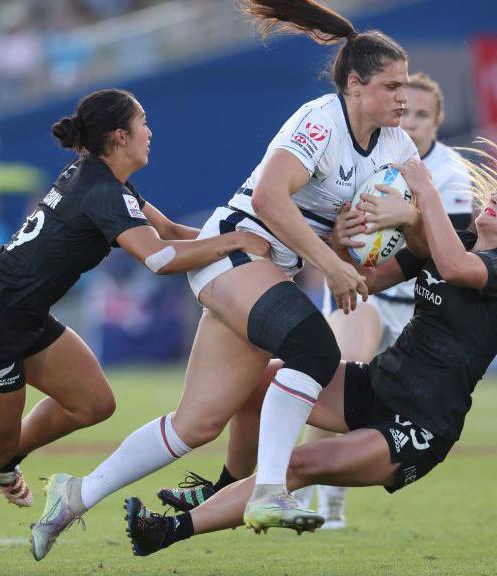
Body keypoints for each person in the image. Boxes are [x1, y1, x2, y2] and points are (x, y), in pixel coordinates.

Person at [29, 0, 418, 561]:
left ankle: (75, 494)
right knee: (311, 344)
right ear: (355, 86)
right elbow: (268, 199)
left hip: (264, 271)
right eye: (392, 85)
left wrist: (349, 241)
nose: (404, 97)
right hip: (233, 254)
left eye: (406, 86)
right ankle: (268, 490)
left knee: (196, 425)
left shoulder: (396, 145)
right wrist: (330, 266)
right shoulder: (321, 121)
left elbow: (340, 227)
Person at [123, 128, 497, 555]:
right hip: (379, 384)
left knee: (298, 464)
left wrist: (423, 195)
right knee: (253, 386)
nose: (496, 197)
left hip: (419, 424)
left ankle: (167, 531)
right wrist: (340, 241)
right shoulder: (457, 239)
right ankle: (222, 486)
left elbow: (451, 267)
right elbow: (364, 282)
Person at [0, 87, 271, 573]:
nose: (151, 132)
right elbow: (160, 258)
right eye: (143, 123)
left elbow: (166, 232)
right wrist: (234, 242)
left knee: (93, 402)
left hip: (23, 319)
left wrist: (248, 241)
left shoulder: (107, 183)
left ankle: (7, 456)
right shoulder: (102, 190)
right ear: (120, 136)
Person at [155, 73, 475, 529]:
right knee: (326, 375)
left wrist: (412, 217)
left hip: (417, 306)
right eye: (410, 111)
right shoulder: (375, 149)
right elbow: (337, 222)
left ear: (438, 122)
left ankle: (263, 488)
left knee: (360, 395)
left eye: (424, 114)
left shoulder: (446, 173)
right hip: (362, 292)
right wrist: (341, 243)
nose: (415, 122)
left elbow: (456, 246)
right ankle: (317, 502)